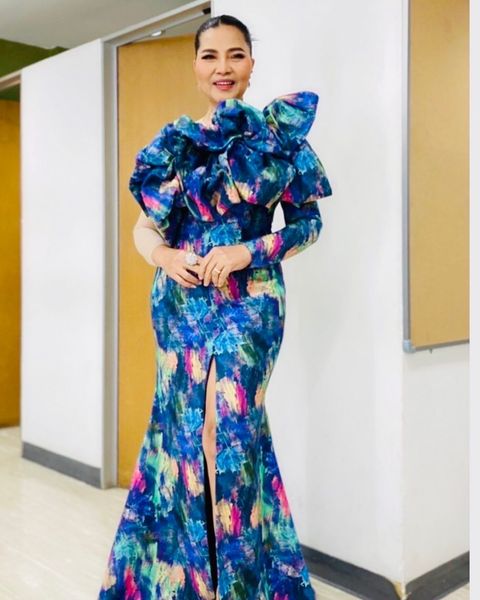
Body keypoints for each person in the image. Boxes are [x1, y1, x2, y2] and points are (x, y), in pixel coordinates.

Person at [98, 13, 332, 600]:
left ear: (251, 63)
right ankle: (189, 582)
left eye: (235, 55)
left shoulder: (277, 138)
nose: (222, 67)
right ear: (195, 66)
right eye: (210, 56)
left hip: (250, 306)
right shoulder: (175, 145)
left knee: (223, 435)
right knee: (182, 437)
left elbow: (308, 224)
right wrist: (164, 257)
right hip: (179, 307)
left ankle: (240, 584)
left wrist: (247, 251)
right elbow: (145, 227)